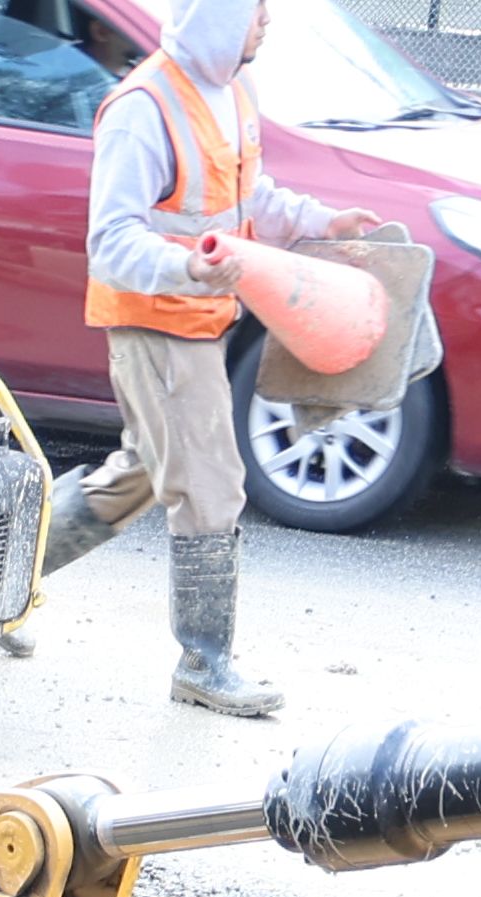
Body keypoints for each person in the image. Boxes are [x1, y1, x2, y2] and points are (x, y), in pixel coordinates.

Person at [53, 0, 328, 719]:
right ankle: (204, 663)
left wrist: (322, 224)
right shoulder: (142, 108)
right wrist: (187, 273)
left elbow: (249, 199)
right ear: (219, 14)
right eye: (256, 7)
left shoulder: (232, 90)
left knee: (140, 475)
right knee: (210, 486)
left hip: (196, 321)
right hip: (158, 326)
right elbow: (110, 243)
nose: (267, 20)